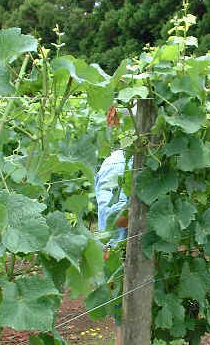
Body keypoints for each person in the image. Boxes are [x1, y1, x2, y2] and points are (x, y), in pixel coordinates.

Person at [94, 148, 132, 345]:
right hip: (120, 256)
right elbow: (114, 216)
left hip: (137, 253)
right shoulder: (117, 163)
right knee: (126, 323)